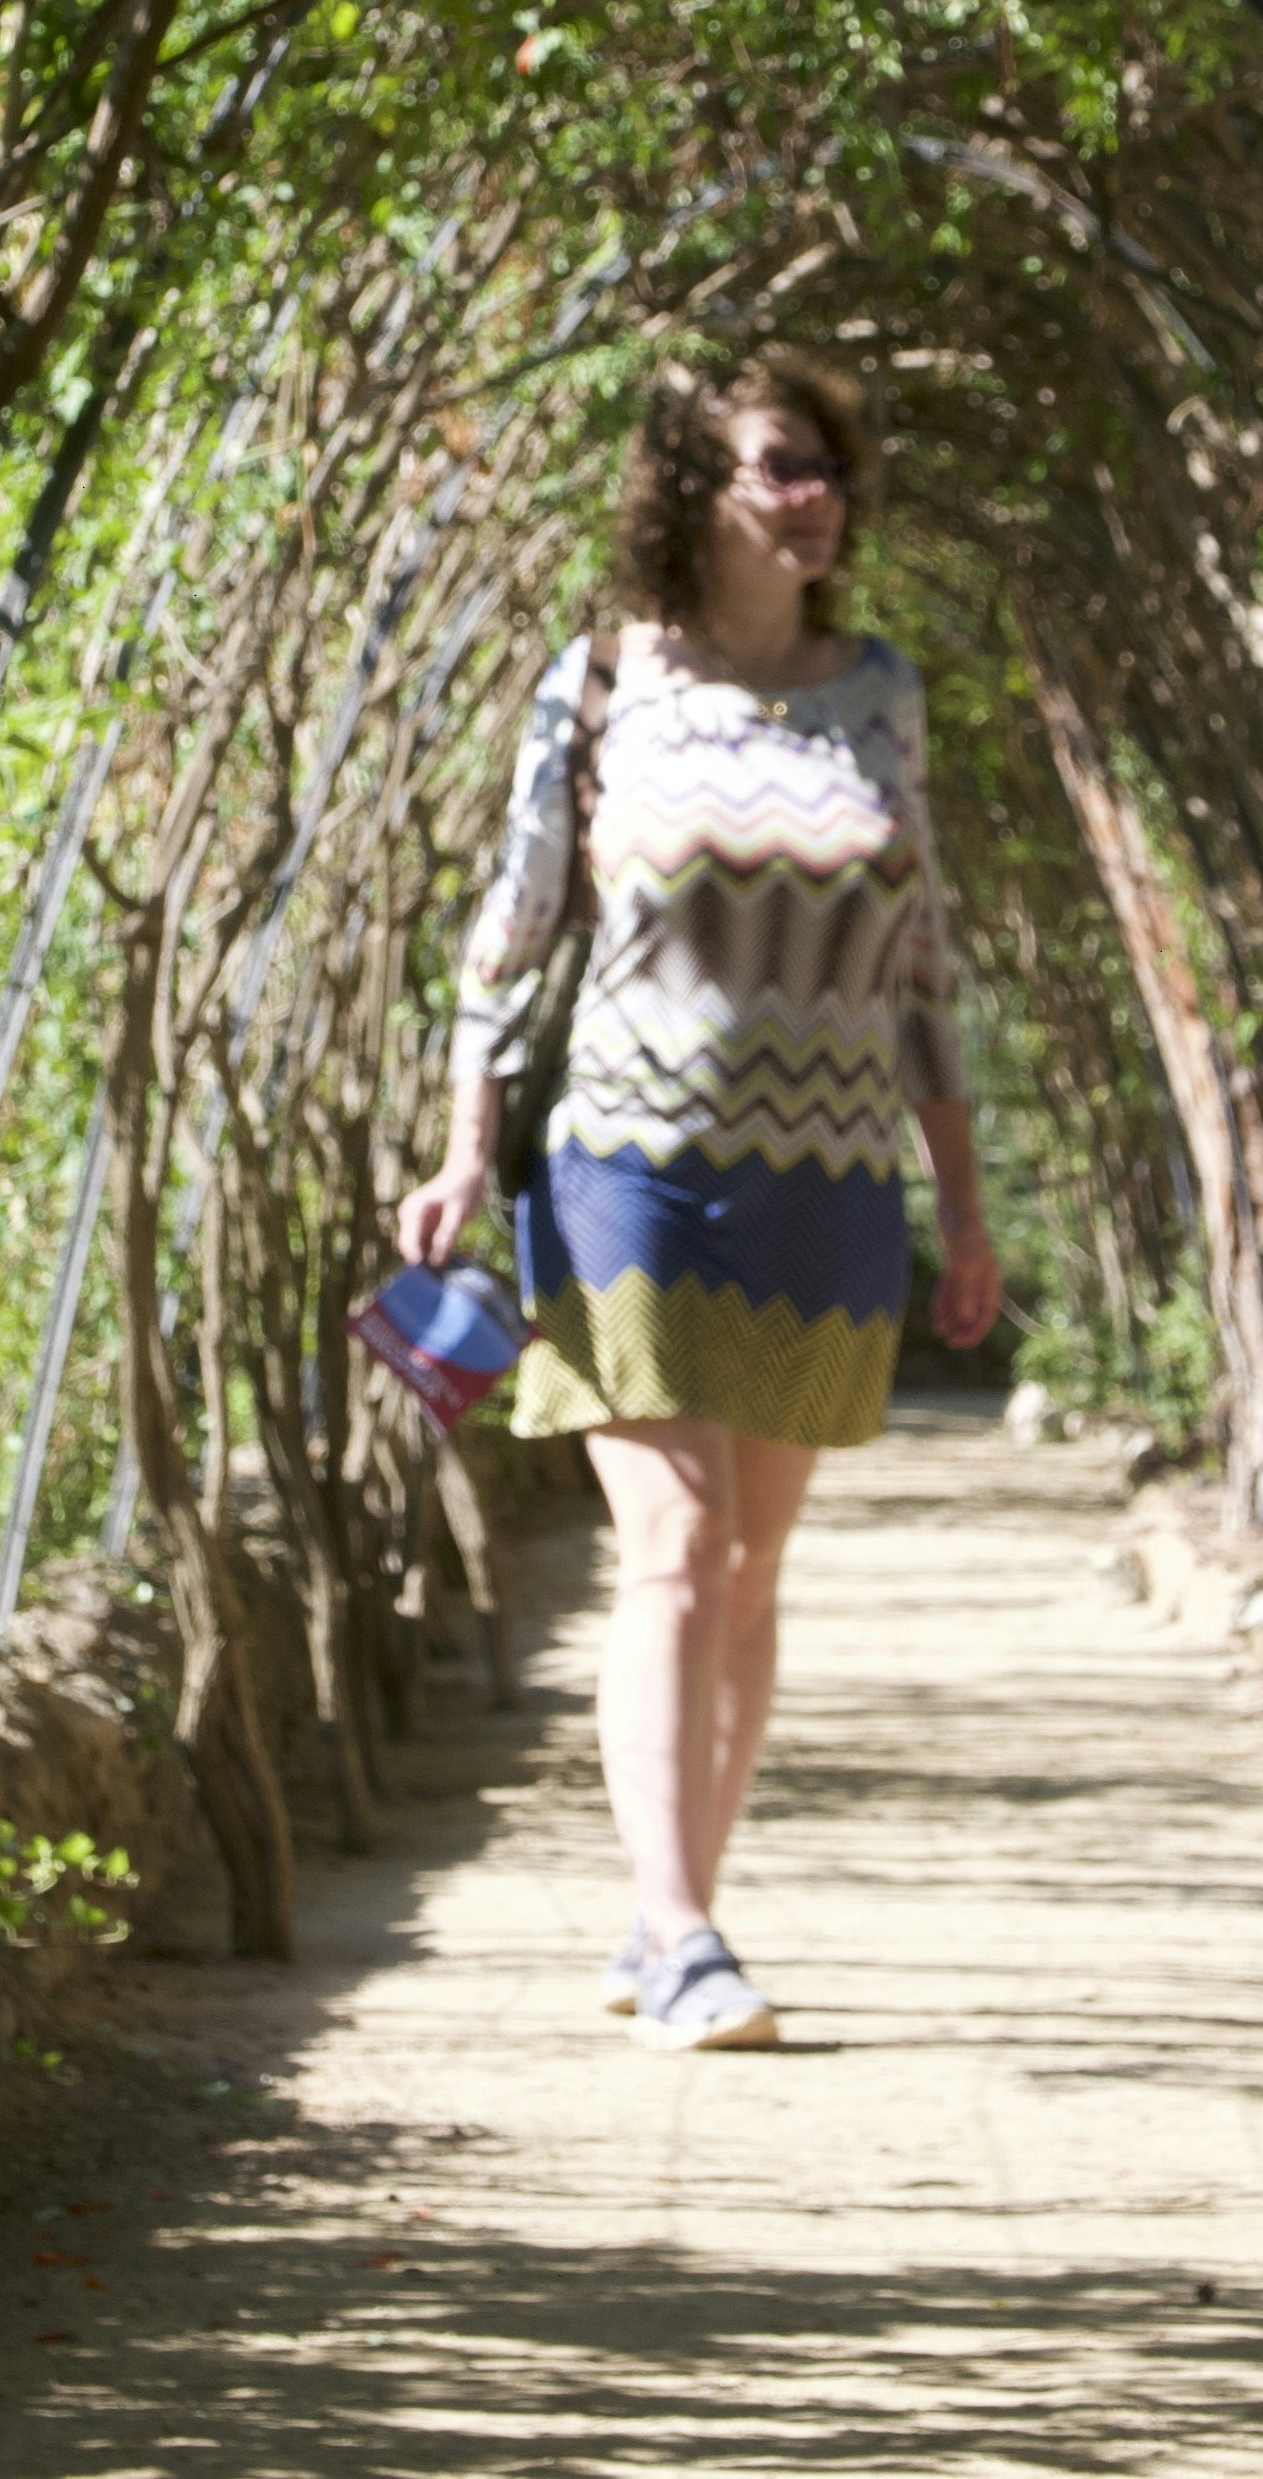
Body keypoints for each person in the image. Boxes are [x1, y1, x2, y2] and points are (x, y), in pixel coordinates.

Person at [395, 349, 1003, 2051]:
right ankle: (679, 1936)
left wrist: (959, 1206)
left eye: (827, 466)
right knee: (674, 1547)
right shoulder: (601, 686)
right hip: (627, 1165)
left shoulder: (879, 690)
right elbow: (511, 935)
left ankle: (677, 1908)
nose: (814, 493)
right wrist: (463, 1146)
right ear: (696, 490)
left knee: (749, 1570)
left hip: (824, 1174)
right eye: (779, 466)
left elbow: (927, 955)